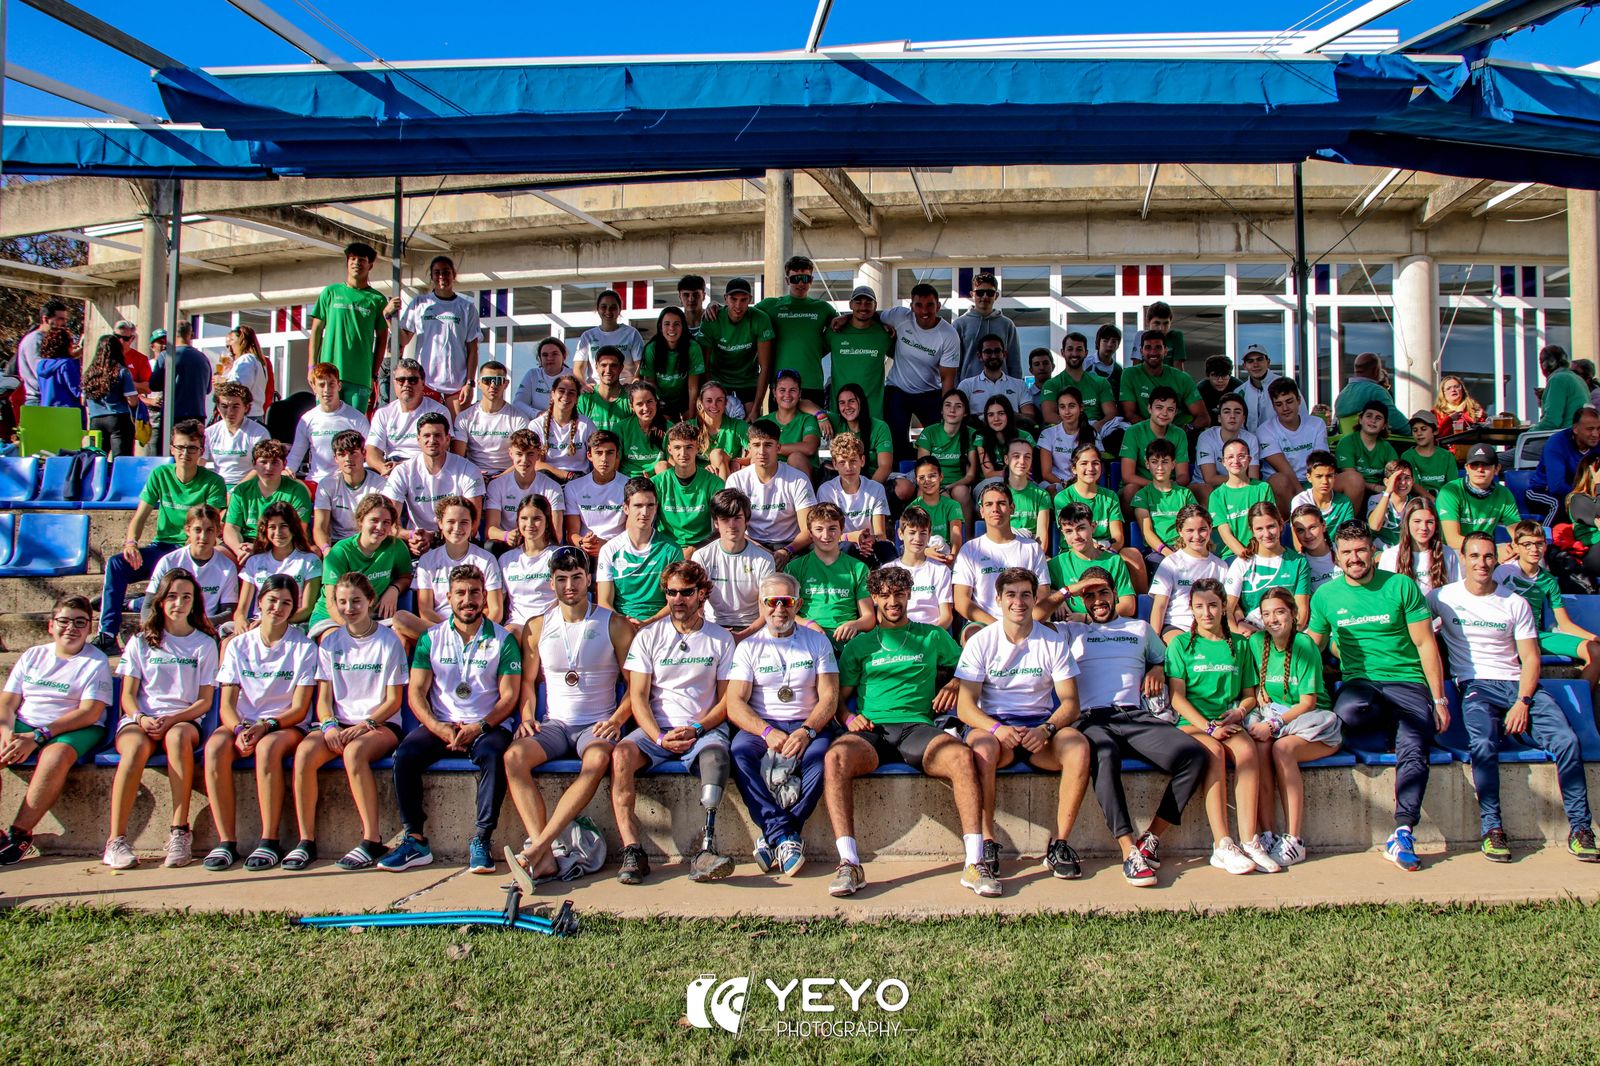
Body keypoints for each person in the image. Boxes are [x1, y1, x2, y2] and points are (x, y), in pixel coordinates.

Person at [826, 566, 996, 898]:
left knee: (962, 756)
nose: (893, 601)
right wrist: (848, 720)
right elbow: (839, 701)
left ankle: (975, 863)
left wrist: (955, 682)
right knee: (835, 758)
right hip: (872, 730)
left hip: (917, 728)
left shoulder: (931, 635)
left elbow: (971, 669)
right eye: (885, 595)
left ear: (908, 595)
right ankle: (849, 863)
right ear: (874, 597)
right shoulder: (859, 645)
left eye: (899, 594)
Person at [1431, 533, 1600, 863]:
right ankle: (1492, 829)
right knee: (1482, 744)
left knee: (1567, 741)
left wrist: (1522, 701)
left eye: (1488, 557)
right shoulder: (1441, 596)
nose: (1482, 563)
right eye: (1475, 556)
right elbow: (1415, 629)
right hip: (1476, 686)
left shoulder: (1514, 602)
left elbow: (1531, 658)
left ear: (1497, 560)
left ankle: (1581, 829)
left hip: (1517, 685)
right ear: (1462, 559)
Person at [1307, 521, 1449, 872]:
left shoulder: (1401, 585)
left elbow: (1425, 644)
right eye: (1347, 553)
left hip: (1407, 681)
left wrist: (1440, 699)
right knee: (1348, 715)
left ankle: (1402, 830)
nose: (1354, 558)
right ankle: (1390, 726)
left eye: (1360, 550)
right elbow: (1312, 645)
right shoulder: (1326, 596)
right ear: (1337, 558)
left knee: (1416, 744)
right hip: (1362, 684)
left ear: (1373, 551)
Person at [1065, 567, 1208, 886]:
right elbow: (1034, 615)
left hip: (1135, 715)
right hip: (1094, 717)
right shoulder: (1072, 632)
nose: (1098, 600)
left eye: (1104, 593)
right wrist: (1072, 590)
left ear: (1116, 595)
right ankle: (1129, 851)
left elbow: (1163, 660)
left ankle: (1151, 839)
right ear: (1082, 600)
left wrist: (1156, 669)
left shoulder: (1140, 628)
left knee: (1193, 755)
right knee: (1103, 754)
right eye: (1090, 595)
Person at [503, 547, 637, 880]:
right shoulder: (536, 627)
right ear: (551, 583)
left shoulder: (614, 623)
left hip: (596, 723)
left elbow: (636, 687)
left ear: (589, 579)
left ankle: (539, 846)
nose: (569, 586)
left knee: (596, 761)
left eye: (577, 577)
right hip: (554, 724)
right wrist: (527, 715)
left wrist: (617, 720)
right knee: (513, 758)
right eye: (561, 579)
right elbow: (528, 682)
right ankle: (545, 854)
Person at [381, 566, 522, 874]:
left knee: (496, 755)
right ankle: (415, 840)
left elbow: (509, 697)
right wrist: (436, 727)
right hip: (442, 723)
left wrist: (479, 726)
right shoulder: (431, 638)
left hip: (486, 725)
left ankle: (482, 839)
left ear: (485, 597)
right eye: (460, 593)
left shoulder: (503, 640)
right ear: (448, 598)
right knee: (405, 754)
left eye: (474, 592)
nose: (468, 600)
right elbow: (416, 692)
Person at [955, 567, 1089, 878]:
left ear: (1034, 599)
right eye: (1011, 595)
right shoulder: (982, 641)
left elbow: (1071, 703)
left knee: (1079, 748)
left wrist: (1047, 729)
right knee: (982, 748)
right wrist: (996, 729)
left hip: (1039, 726)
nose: (1019, 602)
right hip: (996, 726)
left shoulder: (1052, 641)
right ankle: (987, 842)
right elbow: (965, 705)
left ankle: (1059, 844)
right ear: (998, 600)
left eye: (1026, 595)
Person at [612, 561, 738, 884]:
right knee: (621, 755)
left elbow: (726, 701)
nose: (678, 599)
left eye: (686, 592)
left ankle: (707, 848)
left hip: (702, 728)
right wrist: (657, 737)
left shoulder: (721, 639)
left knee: (716, 757)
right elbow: (638, 697)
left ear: (702, 594)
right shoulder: (648, 637)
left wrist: (697, 728)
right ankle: (633, 850)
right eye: (671, 593)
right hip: (658, 730)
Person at [286, 573, 406, 871]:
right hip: (339, 725)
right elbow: (323, 697)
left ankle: (371, 838)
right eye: (342, 602)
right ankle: (305, 841)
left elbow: (393, 701)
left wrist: (363, 725)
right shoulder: (330, 642)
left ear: (370, 601)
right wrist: (328, 725)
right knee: (304, 754)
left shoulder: (388, 641)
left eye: (356, 601)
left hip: (380, 725)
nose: (349, 607)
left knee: (354, 753)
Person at [723, 573, 840, 876]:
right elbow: (735, 702)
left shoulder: (817, 641)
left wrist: (807, 731)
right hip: (764, 725)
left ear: (797, 604)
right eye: (771, 602)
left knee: (822, 760)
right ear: (761, 606)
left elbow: (829, 697)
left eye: (786, 602)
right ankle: (784, 835)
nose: (779, 609)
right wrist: (764, 731)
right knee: (738, 753)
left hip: (808, 723)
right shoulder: (748, 647)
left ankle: (774, 834)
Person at [103, 569, 219, 870]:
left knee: (178, 738)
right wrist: (141, 718)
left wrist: (172, 719)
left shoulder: (205, 644)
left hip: (183, 719)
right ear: (160, 600)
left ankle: (179, 831)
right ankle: (116, 839)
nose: (178, 603)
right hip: (141, 719)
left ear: (195, 603)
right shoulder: (141, 641)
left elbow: (204, 701)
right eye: (172, 596)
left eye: (186, 597)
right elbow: (128, 696)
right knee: (134, 749)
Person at [200, 575, 317, 872]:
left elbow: (300, 707)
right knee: (214, 748)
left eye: (286, 603)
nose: (278, 607)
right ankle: (226, 841)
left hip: (284, 724)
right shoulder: (238, 646)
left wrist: (266, 726)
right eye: (272, 600)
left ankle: (270, 839)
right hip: (243, 724)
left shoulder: (303, 647)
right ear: (260, 602)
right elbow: (226, 704)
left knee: (266, 749)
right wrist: (239, 729)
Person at [1165, 579, 1275, 874]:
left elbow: (1249, 696)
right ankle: (1222, 844)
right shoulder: (1180, 645)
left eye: (1212, 605)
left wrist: (1239, 712)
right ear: (1190, 608)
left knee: (1248, 752)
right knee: (1213, 752)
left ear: (1224, 606)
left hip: (1227, 721)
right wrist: (1208, 728)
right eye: (1199, 606)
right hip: (1193, 724)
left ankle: (1250, 840)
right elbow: (1177, 697)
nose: (1206, 613)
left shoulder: (1239, 645)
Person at [94, 419, 227, 655]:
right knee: (116, 564)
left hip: (192, 551)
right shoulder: (160, 474)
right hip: (162, 548)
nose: (186, 453)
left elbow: (212, 523)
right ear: (172, 448)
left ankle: (136, 602)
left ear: (201, 450)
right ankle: (107, 634)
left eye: (192, 448)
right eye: (181, 447)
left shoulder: (213, 481)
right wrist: (131, 543)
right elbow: (140, 516)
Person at [0, 595, 112, 866]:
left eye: (80, 622)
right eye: (64, 621)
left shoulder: (95, 662)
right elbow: (8, 702)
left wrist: (38, 736)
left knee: (54, 757)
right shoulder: (33, 655)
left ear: (89, 628)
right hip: (25, 722)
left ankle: (20, 834)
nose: (71, 628)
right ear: (51, 625)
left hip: (75, 726)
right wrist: (5, 732)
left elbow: (90, 712)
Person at [1244, 586, 1342, 868]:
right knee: (1259, 749)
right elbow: (1251, 687)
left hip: (1313, 727)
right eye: (1266, 614)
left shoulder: (1304, 645)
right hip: (1276, 720)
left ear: (1293, 613)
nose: (1273, 619)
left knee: (1283, 750)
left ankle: (1294, 840)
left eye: (1279, 611)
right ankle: (1267, 834)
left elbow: (1308, 703)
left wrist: (1273, 724)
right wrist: (1259, 694)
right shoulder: (1256, 642)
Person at [1494, 521, 1600, 694]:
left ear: (1545, 546)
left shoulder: (1549, 581)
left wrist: (1596, 639)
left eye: (1539, 544)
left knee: (1596, 651)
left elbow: (1564, 624)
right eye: (1527, 544)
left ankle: (1580, 700)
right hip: (1507, 635)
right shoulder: (1503, 572)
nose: (1534, 549)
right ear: (1515, 546)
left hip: (1536, 635)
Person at [394, 497, 506, 640]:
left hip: (476, 629)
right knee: (400, 619)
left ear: (472, 525)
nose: (457, 528)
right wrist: (453, 629)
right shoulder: (427, 560)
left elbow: (496, 611)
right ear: (440, 523)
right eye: (451, 522)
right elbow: (426, 611)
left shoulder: (486, 560)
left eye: (464, 522)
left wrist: (473, 631)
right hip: (439, 629)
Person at [953, 483, 1052, 639]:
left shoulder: (1031, 548)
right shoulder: (970, 549)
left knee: (1052, 629)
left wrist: (1021, 623)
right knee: (971, 634)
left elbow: (1042, 595)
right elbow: (961, 601)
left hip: (1026, 620)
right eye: (989, 504)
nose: (995, 509)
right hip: (984, 623)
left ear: (1012, 508)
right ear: (982, 511)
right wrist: (999, 627)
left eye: (1001, 503)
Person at [306, 494, 413, 638]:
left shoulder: (396, 546)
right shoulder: (340, 552)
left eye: (386, 522)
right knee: (336, 642)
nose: (380, 527)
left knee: (401, 640)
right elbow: (332, 603)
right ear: (361, 520)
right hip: (334, 617)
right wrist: (362, 634)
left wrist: (394, 589)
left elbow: (405, 576)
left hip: (373, 615)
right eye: (374, 520)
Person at [382, 412, 486, 554]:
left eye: (437, 435)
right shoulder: (403, 471)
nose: (432, 440)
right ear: (418, 439)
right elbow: (391, 524)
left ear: (448, 439)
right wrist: (413, 536)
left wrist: (434, 537)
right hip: (417, 541)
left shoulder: (468, 469)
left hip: (459, 538)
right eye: (426, 436)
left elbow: (473, 526)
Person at [389, 255, 481, 415]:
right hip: (426, 383)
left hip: (456, 385)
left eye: (446, 272)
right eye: (437, 273)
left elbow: (473, 350)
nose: (441, 277)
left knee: (457, 432)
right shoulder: (420, 303)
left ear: (454, 274)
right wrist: (389, 318)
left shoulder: (467, 307)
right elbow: (403, 339)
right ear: (431, 276)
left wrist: (470, 383)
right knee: (428, 431)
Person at [882, 283, 963, 460]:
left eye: (930, 305)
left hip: (929, 392)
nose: (924, 311)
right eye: (918, 305)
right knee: (896, 437)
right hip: (898, 388)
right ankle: (898, 476)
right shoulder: (900, 316)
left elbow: (947, 378)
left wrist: (947, 409)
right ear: (911, 307)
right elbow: (869, 315)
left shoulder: (949, 335)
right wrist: (846, 318)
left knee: (937, 435)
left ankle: (937, 472)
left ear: (938, 306)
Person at [310, 242, 389, 411]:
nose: (356, 263)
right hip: (327, 376)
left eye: (362, 259)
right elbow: (316, 331)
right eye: (352, 259)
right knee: (326, 424)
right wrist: (311, 366)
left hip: (359, 377)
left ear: (370, 265)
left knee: (354, 431)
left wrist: (373, 374)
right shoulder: (330, 293)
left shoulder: (378, 300)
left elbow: (382, 339)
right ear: (347, 262)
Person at [727, 419, 817, 565]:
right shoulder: (736, 480)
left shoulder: (798, 479)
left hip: (791, 546)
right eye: (756, 445)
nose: (761, 451)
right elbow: (732, 526)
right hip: (751, 544)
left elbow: (808, 530)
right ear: (749, 448)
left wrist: (786, 551)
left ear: (778, 447)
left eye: (768, 445)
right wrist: (761, 551)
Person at [596, 476, 682, 626]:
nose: (645, 512)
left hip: (661, 624)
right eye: (638, 505)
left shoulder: (672, 549)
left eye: (650, 505)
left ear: (656, 507)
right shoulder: (609, 550)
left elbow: (676, 600)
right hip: (621, 625)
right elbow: (604, 602)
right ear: (626, 508)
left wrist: (648, 622)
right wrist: (625, 625)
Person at [692, 488, 776, 641]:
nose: (732, 525)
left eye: (737, 517)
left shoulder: (764, 559)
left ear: (747, 521)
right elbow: (697, 604)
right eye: (725, 518)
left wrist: (742, 636)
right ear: (716, 522)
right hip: (712, 626)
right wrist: (709, 631)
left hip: (752, 628)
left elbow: (766, 609)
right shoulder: (701, 556)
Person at [785, 503, 873, 650]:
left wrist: (854, 624)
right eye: (819, 529)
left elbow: (869, 617)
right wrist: (807, 624)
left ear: (841, 531)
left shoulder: (858, 568)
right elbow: (785, 612)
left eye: (832, 528)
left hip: (846, 641)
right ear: (810, 533)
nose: (826, 536)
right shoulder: (795, 567)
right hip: (806, 639)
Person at [756, 255, 834, 408]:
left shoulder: (823, 308)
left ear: (811, 280)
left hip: (812, 384)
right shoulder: (771, 305)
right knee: (780, 432)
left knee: (813, 431)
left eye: (805, 278)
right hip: (780, 387)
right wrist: (715, 306)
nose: (800, 283)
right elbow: (740, 313)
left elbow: (845, 326)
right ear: (787, 281)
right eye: (795, 279)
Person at [148, 504, 240, 627]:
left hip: (207, 629)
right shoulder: (169, 562)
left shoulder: (227, 567)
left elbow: (228, 611)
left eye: (209, 530)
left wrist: (200, 624)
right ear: (187, 530)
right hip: (170, 628)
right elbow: (149, 604)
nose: (203, 537)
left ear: (218, 532)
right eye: (198, 530)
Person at [233, 501, 320, 631]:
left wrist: (272, 620)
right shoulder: (254, 561)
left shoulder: (309, 561)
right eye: (272, 527)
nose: (278, 532)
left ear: (293, 529)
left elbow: (306, 609)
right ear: (265, 530)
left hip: (293, 624)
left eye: (283, 526)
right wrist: (240, 620)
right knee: (228, 640)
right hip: (259, 623)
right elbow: (241, 610)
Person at [1224, 502, 1310, 632]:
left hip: (1288, 635)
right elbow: (1228, 610)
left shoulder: (1298, 562)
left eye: (1271, 526)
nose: (1267, 534)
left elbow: (1301, 613)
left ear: (1281, 525)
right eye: (1259, 529)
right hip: (1252, 636)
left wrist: (1284, 637)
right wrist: (1239, 636)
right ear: (1251, 530)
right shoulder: (1241, 563)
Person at [1044, 502, 1137, 621]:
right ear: (1063, 534)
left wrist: (1087, 618)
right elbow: (1039, 598)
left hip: (1108, 626)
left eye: (1081, 528)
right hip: (1071, 629)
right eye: (1069, 531)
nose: (1076, 536)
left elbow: (1128, 606)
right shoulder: (1057, 564)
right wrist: (1056, 596)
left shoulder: (1114, 561)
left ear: (1093, 527)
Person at [222, 440, 314, 559]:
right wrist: (239, 550)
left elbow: (298, 531)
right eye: (263, 462)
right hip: (246, 544)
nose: (269, 468)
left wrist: (258, 549)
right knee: (219, 552)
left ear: (284, 464)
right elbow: (231, 528)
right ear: (254, 464)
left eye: (275, 462)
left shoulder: (297, 491)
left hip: (283, 542)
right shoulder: (241, 491)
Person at [287, 363, 371, 488]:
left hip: (347, 484)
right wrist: (287, 471)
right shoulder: (307, 419)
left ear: (339, 386)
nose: (327, 390)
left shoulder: (357, 418)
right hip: (316, 483)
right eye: (321, 385)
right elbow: (295, 456)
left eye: (331, 384)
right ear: (314, 387)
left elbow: (368, 455)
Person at [1148, 504, 1228, 638]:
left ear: (1210, 528)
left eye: (1202, 529)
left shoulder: (1221, 566)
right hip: (1177, 626)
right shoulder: (1170, 563)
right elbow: (1159, 606)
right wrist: (1154, 640)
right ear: (1180, 531)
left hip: (1211, 628)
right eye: (1190, 530)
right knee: (1181, 647)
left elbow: (1228, 605)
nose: (1197, 536)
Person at [697, 278, 773, 411]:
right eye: (733, 299)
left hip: (747, 381)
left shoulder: (760, 319)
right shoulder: (713, 318)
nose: (738, 306)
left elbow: (765, 366)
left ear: (750, 299)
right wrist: (710, 394)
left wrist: (756, 408)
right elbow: (705, 364)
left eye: (743, 300)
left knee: (752, 426)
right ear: (725, 298)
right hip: (718, 380)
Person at [818, 431, 893, 565]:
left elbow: (880, 533)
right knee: (847, 547)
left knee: (886, 547)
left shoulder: (875, 489)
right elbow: (826, 534)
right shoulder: (827, 490)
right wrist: (851, 537)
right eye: (842, 462)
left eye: (853, 461)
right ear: (834, 464)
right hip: (840, 545)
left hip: (868, 545)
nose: (848, 468)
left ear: (862, 461)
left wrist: (870, 540)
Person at [367, 359, 452, 475]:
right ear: (394, 383)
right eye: (401, 380)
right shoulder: (383, 413)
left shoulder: (439, 411)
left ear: (423, 383)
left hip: (425, 468)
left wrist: (404, 468)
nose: (406, 384)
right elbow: (372, 451)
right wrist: (383, 468)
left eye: (412, 380)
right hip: (391, 468)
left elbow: (441, 450)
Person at [651, 422, 725, 555]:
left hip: (704, 548)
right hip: (666, 548)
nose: (683, 453)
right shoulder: (657, 483)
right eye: (677, 447)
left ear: (698, 448)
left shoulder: (714, 484)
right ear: (669, 450)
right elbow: (647, 525)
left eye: (689, 447)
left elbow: (723, 528)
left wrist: (694, 549)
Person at [450, 360, 534, 477]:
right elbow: (457, 458)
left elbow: (523, 456)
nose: (493, 385)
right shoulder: (464, 417)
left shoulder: (519, 418)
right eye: (487, 380)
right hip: (473, 475)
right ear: (479, 383)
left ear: (506, 384)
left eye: (498, 381)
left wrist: (501, 477)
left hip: (508, 475)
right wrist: (475, 474)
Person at [1258, 377, 1328, 514]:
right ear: (1273, 406)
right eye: (1278, 404)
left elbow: (1320, 461)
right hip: (1286, 483)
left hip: (1312, 479)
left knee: (1352, 480)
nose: (1285, 408)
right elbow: (1284, 469)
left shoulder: (1317, 423)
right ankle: (1290, 527)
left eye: (1289, 401)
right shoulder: (1264, 430)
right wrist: (1303, 496)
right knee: (1280, 481)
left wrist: (1316, 487)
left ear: (1299, 400)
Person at [826, 286, 895, 425]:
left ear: (875, 306)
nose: (863, 306)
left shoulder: (884, 334)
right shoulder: (834, 332)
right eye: (858, 302)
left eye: (868, 302)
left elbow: (903, 358)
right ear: (850, 304)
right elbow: (814, 354)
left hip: (873, 415)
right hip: (841, 413)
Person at [312, 429, 386, 554]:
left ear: (364, 453)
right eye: (342, 454)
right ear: (335, 458)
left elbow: (384, 524)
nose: (348, 459)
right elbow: (320, 527)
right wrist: (326, 550)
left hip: (371, 541)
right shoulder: (327, 484)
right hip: (338, 544)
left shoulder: (380, 484)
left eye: (353, 453)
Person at [1436, 444, 1521, 551]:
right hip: (1453, 552)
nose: (1480, 469)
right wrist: (1494, 550)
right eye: (1474, 465)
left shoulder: (1504, 493)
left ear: (1497, 468)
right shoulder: (1450, 491)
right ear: (1467, 468)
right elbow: (1452, 540)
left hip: (1486, 551)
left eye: (1486, 464)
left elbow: (1518, 535)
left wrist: (1517, 548)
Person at [1118, 386, 1192, 507]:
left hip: (1170, 486)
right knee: (1130, 490)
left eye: (1170, 409)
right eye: (1159, 407)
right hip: (1141, 485)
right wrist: (1156, 486)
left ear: (1175, 412)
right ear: (1149, 408)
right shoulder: (1133, 432)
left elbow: (1183, 475)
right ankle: (1135, 526)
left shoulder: (1179, 434)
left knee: (1200, 490)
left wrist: (1169, 487)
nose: (1164, 413)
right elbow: (1127, 476)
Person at [1526, 406, 1600, 525]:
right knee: (1558, 504)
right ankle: (1546, 540)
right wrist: (1586, 496)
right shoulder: (1557, 443)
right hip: (1542, 491)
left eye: (1599, 429)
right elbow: (1557, 486)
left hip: (1583, 493)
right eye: (1590, 429)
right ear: (1575, 429)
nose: (1595, 434)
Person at [1119, 330, 1208, 428]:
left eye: (1158, 347)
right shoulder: (1130, 374)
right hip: (1145, 431)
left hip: (1180, 431)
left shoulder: (1182, 378)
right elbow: (1129, 414)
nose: (1153, 352)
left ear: (1165, 351)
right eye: (1148, 347)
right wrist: (1156, 431)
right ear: (1141, 351)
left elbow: (1203, 417)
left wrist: (1185, 430)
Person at [914, 388, 980, 520]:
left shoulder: (971, 434)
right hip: (930, 482)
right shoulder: (929, 432)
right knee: (938, 495)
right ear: (942, 411)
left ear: (965, 412)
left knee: (961, 492)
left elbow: (971, 475)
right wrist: (940, 487)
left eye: (958, 406)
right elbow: (922, 471)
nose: (952, 410)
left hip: (958, 484)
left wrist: (949, 487)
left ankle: (967, 537)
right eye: (948, 405)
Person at [883, 507, 955, 628]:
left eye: (923, 533)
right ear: (901, 534)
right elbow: (882, 614)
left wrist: (930, 636)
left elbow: (946, 616)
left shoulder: (940, 570)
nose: (917, 538)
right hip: (899, 635)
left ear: (929, 535)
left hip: (931, 634)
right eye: (912, 532)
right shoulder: (888, 570)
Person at [1377, 496, 1461, 596]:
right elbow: (1386, 596)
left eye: (1429, 522)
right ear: (1406, 523)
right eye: (1417, 521)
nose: (1423, 528)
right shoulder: (1390, 556)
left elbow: (1456, 594)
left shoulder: (1448, 553)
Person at [499, 494, 559, 634]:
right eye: (524, 518)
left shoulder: (558, 556)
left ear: (547, 521)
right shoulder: (506, 560)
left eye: (537, 519)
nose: (530, 525)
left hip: (550, 626)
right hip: (517, 626)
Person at [563, 431, 627, 558]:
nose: (604, 459)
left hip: (620, 551)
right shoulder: (574, 487)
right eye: (598, 453)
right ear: (589, 455)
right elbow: (572, 534)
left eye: (610, 453)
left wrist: (607, 545)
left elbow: (633, 533)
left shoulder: (629, 486)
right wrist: (583, 542)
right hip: (585, 552)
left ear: (617, 455)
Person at [1207, 438, 1273, 559]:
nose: (1236, 461)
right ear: (1223, 462)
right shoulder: (1217, 496)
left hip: (1264, 552)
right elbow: (1225, 534)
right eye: (1230, 457)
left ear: (1249, 460)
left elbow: (1269, 524)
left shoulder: (1262, 488)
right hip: (1233, 555)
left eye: (1241, 456)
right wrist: (1247, 557)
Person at [1041, 332, 1119, 434]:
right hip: (1065, 430)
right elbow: (1049, 416)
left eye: (1079, 349)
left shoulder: (1101, 382)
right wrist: (1076, 428)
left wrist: (1097, 426)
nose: (1074, 354)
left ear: (1086, 353)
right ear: (1062, 352)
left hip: (1096, 430)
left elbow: (1111, 413)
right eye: (1070, 349)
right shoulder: (1052, 384)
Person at [636, 306, 705, 420]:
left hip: (685, 401)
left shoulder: (693, 348)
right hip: (660, 402)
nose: (671, 328)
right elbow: (650, 385)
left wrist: (692, 417)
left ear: (683, 326)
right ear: (660, 327)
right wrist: (657, 414)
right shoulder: (651, 349)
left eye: (676, 324)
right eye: (667, 324)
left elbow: (693, 388)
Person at [952, 272, 1022, 380]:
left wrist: (1015, 389)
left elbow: (1014, 363)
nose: (985, 296)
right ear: (972, 295)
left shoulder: (1007, 325)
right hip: (968, 390)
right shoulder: (959, 324)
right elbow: (953, 363)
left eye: (990, 292)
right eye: (980, 292)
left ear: (996, 295)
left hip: (1001, 390)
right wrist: (956, 392)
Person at [147, 322, 214, 434]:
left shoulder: (166, 355)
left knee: (169, 449)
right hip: (197, 414)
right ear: (191, 335)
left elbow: (153, 385)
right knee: (194, 449)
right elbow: (208, 389)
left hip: (173, 415)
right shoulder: (203, 358)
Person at [1335, 401, 1400, 510]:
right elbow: (1350, 477)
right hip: (1352, 491)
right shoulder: (1347, 442)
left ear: (1384, 425)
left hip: (1379, 494)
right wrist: (1374, 487)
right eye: (1369, 416)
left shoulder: (1387, 447)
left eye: (1378, 418)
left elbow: (1394, 473)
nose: (1373, 420)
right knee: (1355, 480)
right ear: (1360, 419)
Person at [531, 375, 595, 484]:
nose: (566, 396)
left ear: (576, 399)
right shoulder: (537, 425)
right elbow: (536, 463)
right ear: (552, 394)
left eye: (571, 393)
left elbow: (596, 456)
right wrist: (567, 475)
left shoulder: (586, 424)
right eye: (561, 391)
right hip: (548, 480)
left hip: (579, 480)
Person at [82, 335, 139, 457]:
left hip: (95, 419)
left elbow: (83, 400)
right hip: (118, 418)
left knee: (96, 458)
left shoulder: (89, 374)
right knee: (121, 459)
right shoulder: (121, 371)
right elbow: (132, 400)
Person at [204, 383, 270, 487]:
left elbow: (262, 467)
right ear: (217, 407)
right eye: (224, 406)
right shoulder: (209, 432)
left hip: (249, 486)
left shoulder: (259, 433)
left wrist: (235, 490)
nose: (230, 412)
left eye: (235, 406)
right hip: (217, 486)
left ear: (246, 407)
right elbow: (199, 462)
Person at [573, 289, 645, 385]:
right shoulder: (587, 336)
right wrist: (583, 386)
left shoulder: (631, 333)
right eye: (604, 307)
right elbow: (578, 368)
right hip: (596, 392)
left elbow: (641, 365)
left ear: (619, 310)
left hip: (625, 390)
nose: (608, 311)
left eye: (613, 307)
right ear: (597, 309)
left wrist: (635, 382)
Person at [1193, 394, 1260, 492]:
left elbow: (1253, 478)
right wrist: (1240, 479)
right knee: (1206, 490)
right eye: (1227, 412)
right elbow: (1210, 479)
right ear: (1219, 418)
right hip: (1206, 487)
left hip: (1240, 486)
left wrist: (1239, 482)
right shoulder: (1206, 437)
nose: (1232, 416)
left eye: (1237, 412)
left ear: (1243, 419)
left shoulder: (1251, 439)